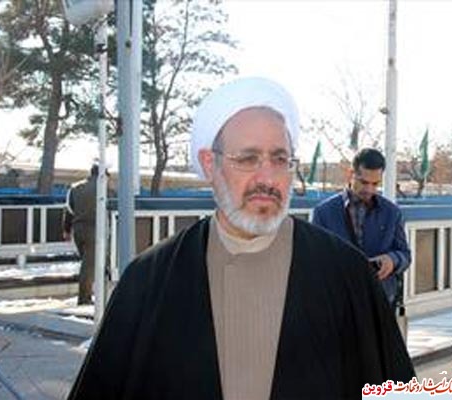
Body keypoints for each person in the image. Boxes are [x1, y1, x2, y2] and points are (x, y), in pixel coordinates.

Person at [68, 77, 414, 400]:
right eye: (248, 159)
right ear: (210, 164)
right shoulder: (149, 281)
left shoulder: (346, 275)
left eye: (280, 159)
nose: (267, 178)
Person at [312, 148, 411, 306]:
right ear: (350, 174)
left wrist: (392, 260)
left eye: (375, 184)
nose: (369, 189)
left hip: (380, 302)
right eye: (364, 182)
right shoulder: (323, 213)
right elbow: (314, 261)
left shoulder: (392, 212)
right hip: (338, 303)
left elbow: (405, 255)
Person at [62, 164, 100, 305]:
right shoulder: (104, 189)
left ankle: (90, 294)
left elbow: (69, 210)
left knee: (88, 263)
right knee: (89, 266)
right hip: (95, 230)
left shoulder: (75, 188)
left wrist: (66, 230)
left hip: (78, 230)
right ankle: (84, 299)